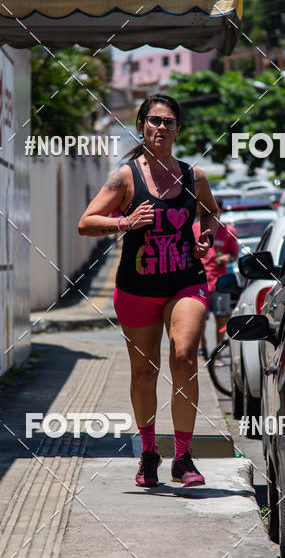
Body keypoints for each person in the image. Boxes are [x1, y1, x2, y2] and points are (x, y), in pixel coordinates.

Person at [77, 94, 219, 488]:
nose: (161, 127)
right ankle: (149, 451)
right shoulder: (124, 177)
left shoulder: (194, 177)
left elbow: (210, 211)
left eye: (168, 122)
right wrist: (124, 223)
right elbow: (86, 222)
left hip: (184, 281)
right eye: (154, 121)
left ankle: (184, 457)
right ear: (141, 126)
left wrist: (204, 233)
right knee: (143, 373)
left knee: (185, 357)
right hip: (137, 287)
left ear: (178, 129)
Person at [192, 199, 240, 359]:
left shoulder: (229, 230)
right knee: (199, 318)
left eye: (214, 210)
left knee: (222, 318)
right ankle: (202, 349)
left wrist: (228, 258)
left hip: (220, 282)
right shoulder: (194, 229)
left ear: (220, 210)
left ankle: (218, 353)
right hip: (200, 281)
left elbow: (234, 255)